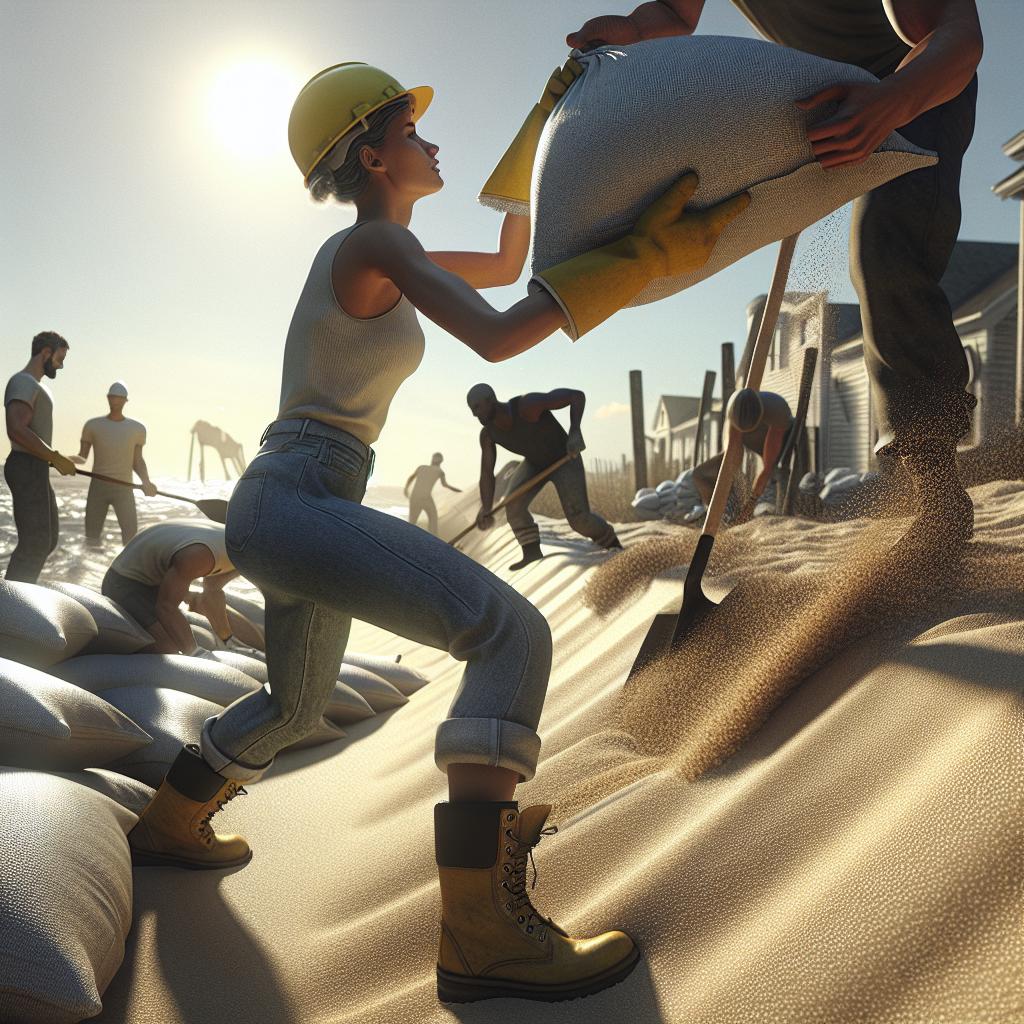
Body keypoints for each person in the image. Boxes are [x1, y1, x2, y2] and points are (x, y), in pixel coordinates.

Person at [125, 62, 747, 1004]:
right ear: (372, 155)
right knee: (510, 631)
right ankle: (482, 934)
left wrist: (543, 127)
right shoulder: (373, 244)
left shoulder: (394, 253)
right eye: (413, 132)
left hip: (294, 499)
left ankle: (172, 822)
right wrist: (642, 259)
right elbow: (500, 335)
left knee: (296, 706)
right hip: (298, 492)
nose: (432, 141)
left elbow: (505, 264)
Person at [567, 0, 984, 545]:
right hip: (817, 89)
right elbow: (675, 10)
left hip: (920, 82)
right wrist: (635, 30)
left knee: (884, 249)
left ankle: (932, 487)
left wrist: (892, 103)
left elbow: (959, 37)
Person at [468, 383, 621, 569]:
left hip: (564, 458)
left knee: (579, 519)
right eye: (472, 409)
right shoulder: (488, 435)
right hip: (535, 464)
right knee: (513, 505)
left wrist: (574, 431)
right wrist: (486, 508)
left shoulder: (527, 406)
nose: (475, 414)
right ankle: (532, 554)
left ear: (490, 400)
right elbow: (486, 472)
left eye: (477, 407)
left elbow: (576, 396)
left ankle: (614, 546)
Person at [101, 520, 238, 654]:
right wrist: (195, 654)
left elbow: (212, 591)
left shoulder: (242, 554)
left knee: (201, 639)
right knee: (169, 651)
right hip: (124, 582)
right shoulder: (200, 555)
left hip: (155, 580)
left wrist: (227, 640)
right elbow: (166, 607)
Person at [3, 331, 76, 583]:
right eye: (59, 357)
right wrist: (54, 457)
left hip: (37, 466)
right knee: (34, 543)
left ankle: (20, 597)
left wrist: (56, 458)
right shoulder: (24, 382)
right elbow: (16, 429)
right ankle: (11, 607)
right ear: (46, 352)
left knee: (47, 540)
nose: (61, 364)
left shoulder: (37, 386)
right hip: (25, 466)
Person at [71, 380, 158, 544]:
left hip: (124, 489)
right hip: (98, 488)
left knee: (131, 538)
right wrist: (58, 459)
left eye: (118, 398)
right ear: (108, 398)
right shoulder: (92, 425)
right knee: (91, 537)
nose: (115, 401)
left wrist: (146, 482)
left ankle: (125, 569)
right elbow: (82, 457)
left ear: (125, 400)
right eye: (112, 397)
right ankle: (88, 567)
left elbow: (137, 461)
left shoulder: (137, 429)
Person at [690, 389, 794, 513]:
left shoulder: (777, 410)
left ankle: (785, 510)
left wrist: (751, 503)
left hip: (782, 433)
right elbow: (732, 454)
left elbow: (767, 468)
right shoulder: (734, 410)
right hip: (746, 431)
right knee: (702, 474)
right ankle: (725, 512)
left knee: (774, 471)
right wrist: (733, 479)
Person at [404, 452, 461, 535]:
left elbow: (411, 477)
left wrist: (406, 489)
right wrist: (458, 490)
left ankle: (405, 536)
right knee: (433, 519)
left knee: (412, 521)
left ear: (432, 459)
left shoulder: (421, 467)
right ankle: (433, 540)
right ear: (441, 462)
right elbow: (445, 485)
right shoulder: (440, 471)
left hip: (415, 496)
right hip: (425, 498)